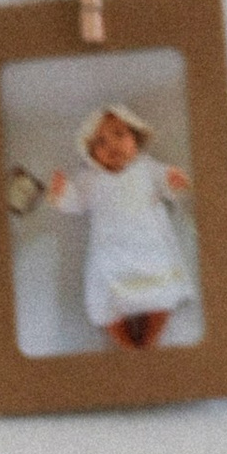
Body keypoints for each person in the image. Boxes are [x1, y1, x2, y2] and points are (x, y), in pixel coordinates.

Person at [42, 100, 192, 351]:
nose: (111, 145)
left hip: (149, 251)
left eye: (119, 135)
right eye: (100, 142)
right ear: (90, 153)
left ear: (135, 138)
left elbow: (165, 182)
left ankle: (149, 342)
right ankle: (128, 345)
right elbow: (76, 202)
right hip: (110, 258)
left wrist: (173, 181)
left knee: (163, 300)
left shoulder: (147, 167)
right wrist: (62, 193)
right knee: (107, 309)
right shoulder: (90, 178)